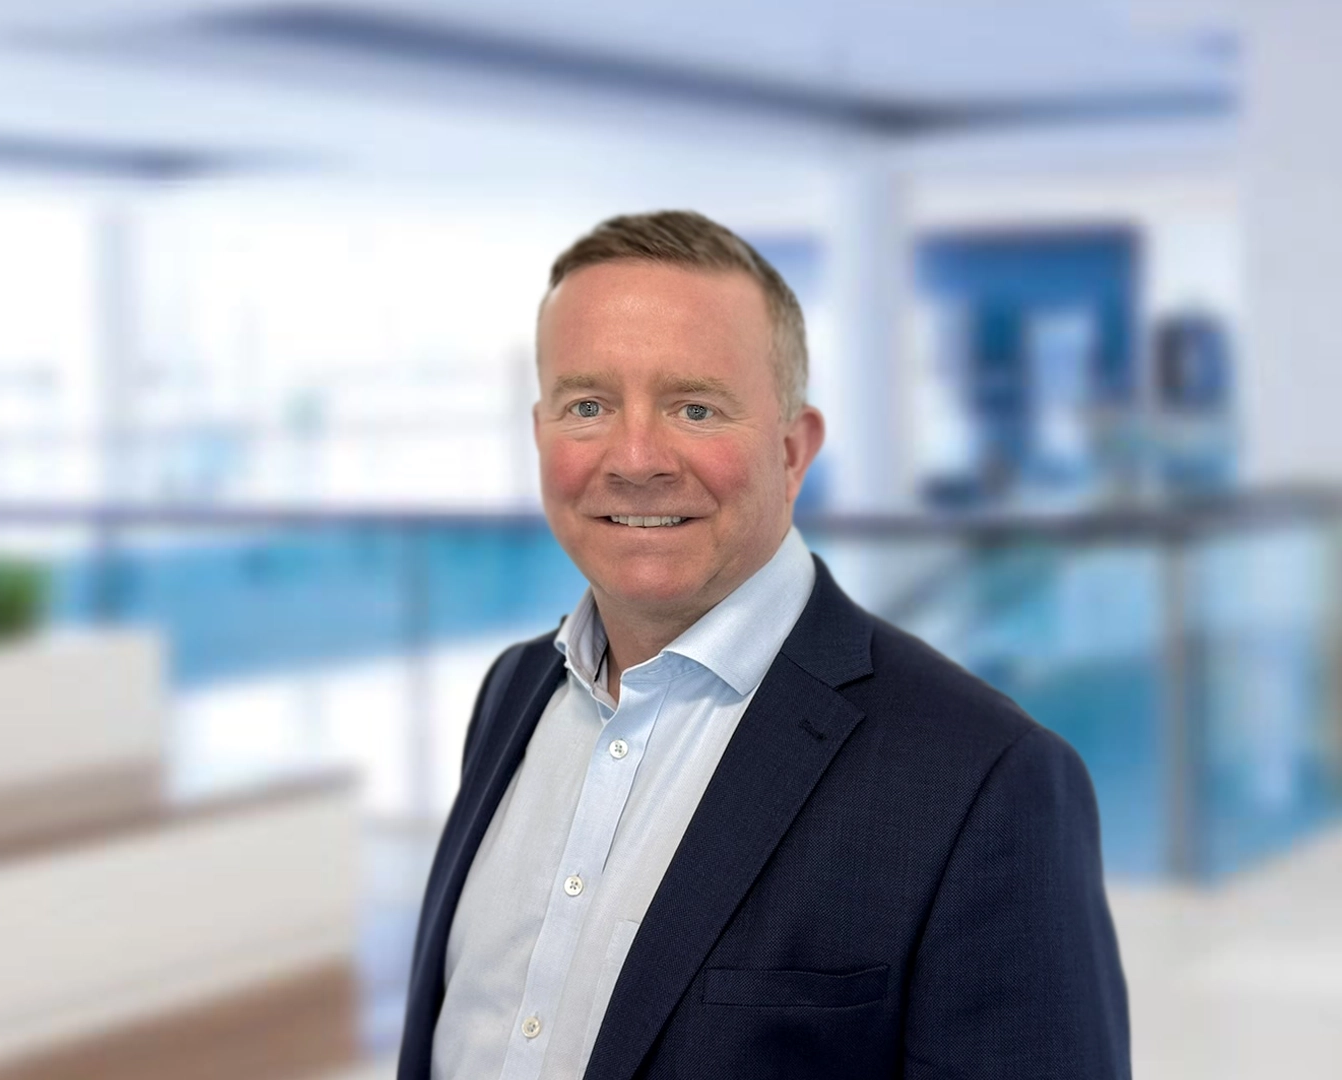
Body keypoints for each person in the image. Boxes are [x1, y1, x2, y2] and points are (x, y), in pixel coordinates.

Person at [400, 210, 1129, 1080]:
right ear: (541, 435)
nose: (635, 458)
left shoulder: (985, 780)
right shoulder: (515, 691)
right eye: (587, 405)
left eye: (694, 407)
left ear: (793, 450)